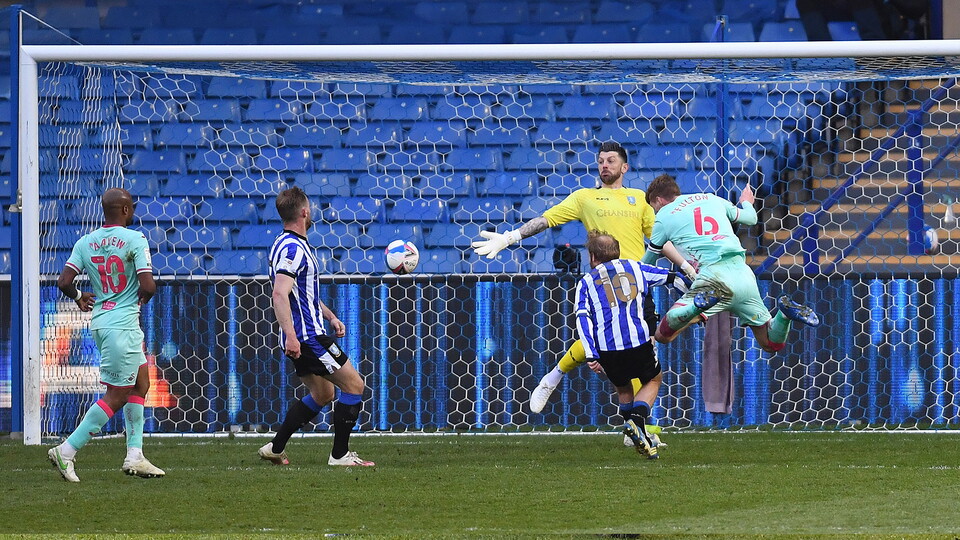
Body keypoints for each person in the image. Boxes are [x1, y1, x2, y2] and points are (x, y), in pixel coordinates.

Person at [471, 141, 695, 416]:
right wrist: (510, 237)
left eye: (611, 160)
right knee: (612, 343)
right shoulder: (584, 198)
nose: (604, 165)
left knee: (638, 349)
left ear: (624, 166)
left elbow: (659, 240)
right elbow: (547, 219)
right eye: (601, 160)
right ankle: (553, 378)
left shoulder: (638, 198)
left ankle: (635, 426)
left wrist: (685, 265)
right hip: (604, 284)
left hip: (636, 284)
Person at [48, 188, 164, 482]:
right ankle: (67, 450)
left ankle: (134, 455)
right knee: (117, 394)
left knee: (141, 382)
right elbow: (148, 286)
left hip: (102, 320)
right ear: (126, 210)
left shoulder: (85, 242)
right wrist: (138, 301)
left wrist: (77, 295)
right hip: (122, 325)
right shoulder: (135, 239)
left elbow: (64, 282)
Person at [258, 187, 374, 467]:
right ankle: (340, 455)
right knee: (355, 385)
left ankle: (275, 447)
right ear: (304, 212)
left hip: (306, 333)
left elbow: (303, 293)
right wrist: (291, 336)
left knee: (323, 394)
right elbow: (279, 293)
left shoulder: (287, 244)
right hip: (308, 337)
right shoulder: (292, 248)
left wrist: (331, 316)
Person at [640, 174, 820, 350]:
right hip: (743, 274)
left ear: (659, 200)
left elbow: (648, 262)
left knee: (662, 336)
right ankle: (784, 314)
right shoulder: (711, 198)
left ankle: (696, 306)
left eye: (654, 208)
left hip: (713, 278)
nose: (656, 213)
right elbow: (751, 219)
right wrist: (747, 201)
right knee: (771, 343)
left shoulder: (664, 215)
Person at [575, 231, 690, 459]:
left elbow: (582, 319)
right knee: (653, 379)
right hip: (637, 341)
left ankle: (637, 435)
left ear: (592, 257)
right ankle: (637, 423)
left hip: (607, 349)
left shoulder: (586, 282)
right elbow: (674, 278)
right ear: (617, 251)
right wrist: (689, 300)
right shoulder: (636, 268)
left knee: (623, 387)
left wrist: (591, 355)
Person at [796, 0, 927, 41]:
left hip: (882, 15)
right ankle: (822, 56)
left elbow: (916, 8)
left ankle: (874, 53)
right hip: (837, 8)